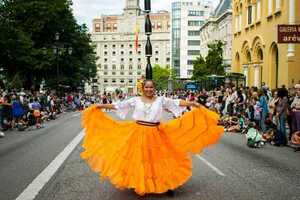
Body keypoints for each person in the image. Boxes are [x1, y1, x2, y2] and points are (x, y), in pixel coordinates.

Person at [81, 80, 224, 196]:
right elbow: (118, 105)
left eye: (151, 87)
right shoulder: (135, 100)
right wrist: (100, 105)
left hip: (155, 133)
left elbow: (176, 103)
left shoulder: (161, 100)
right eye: (147, 87)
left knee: (161, 159)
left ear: (154, 88)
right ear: (143, 88)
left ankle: (167, 184)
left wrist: (192, 103)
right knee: (140, 159)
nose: (149, 89)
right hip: (137, 132)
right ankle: (139, 182)